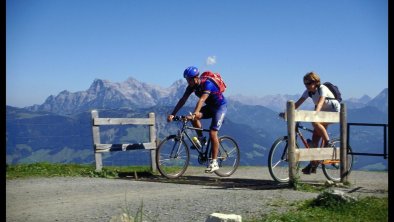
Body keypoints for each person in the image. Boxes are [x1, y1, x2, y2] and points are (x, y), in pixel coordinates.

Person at [167, 66, 227, 173]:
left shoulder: (207, 83)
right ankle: (201, 139)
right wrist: (173, 114)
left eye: (189, 79)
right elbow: (183, 100)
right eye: (186, 80)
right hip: (210, 108)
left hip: (220, 108)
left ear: (195, 78)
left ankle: (214, 162)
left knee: (213, 133)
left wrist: (195, 113)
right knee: (193, 118)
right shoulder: (191, 87)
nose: (188, 82)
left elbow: (202, 99)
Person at [292, 71, 341, 174]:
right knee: (314, 143)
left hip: (334, 111)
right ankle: (313, 165)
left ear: (316, 82)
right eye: (305, 83)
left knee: (315, 122)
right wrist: (287, 112)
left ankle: (328, 143)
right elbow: (298, 103)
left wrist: (315, 114)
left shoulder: (322, 88)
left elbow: (320, 102)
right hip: (322, 113)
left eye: (309, 83)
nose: (307, 86)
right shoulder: (308, 92)